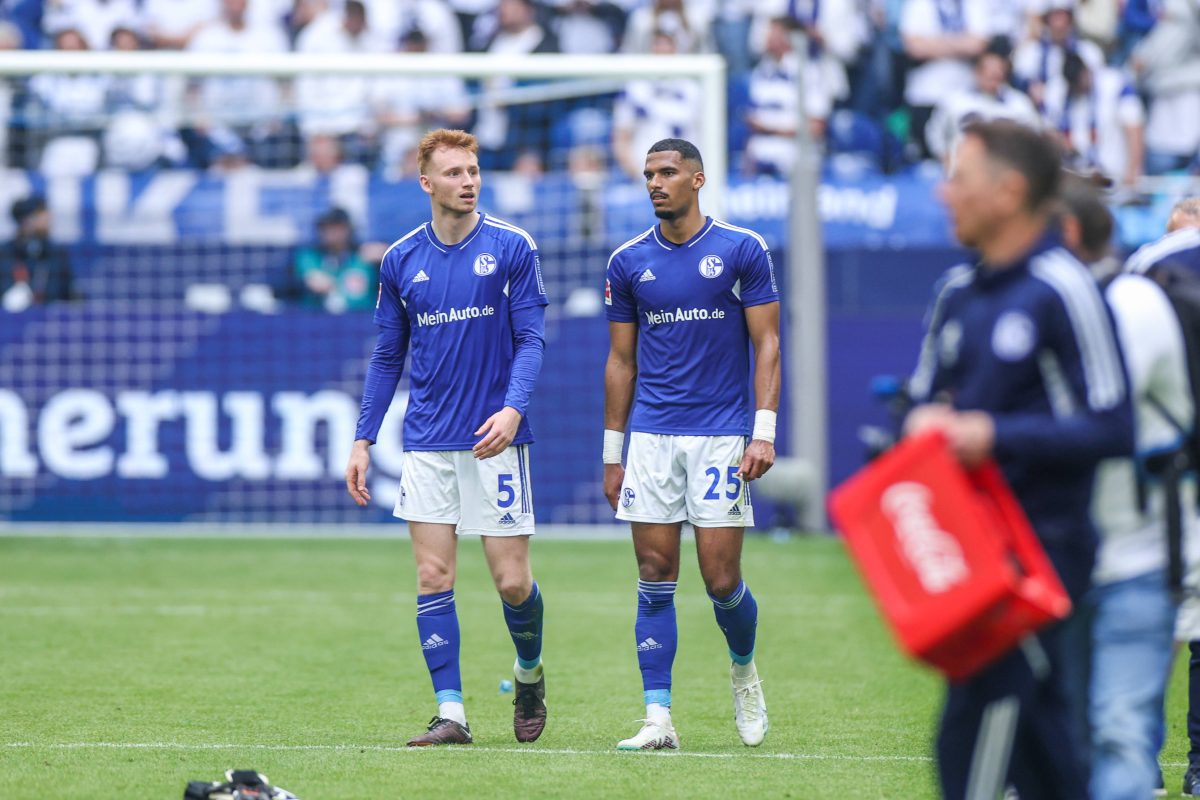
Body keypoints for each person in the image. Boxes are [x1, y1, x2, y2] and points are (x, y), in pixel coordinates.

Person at [905, 120, 1133, 799]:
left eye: (958, 179)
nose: (945, 194)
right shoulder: (957, 292)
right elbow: (920, 402)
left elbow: (1112, 426)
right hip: (965, 558)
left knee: (974, 744)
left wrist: (993, 435)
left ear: (1007, 192)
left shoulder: (1063, 288)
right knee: (1049, 758)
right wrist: (918, 425)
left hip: (1037, 561)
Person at [345, 129, 550, 747]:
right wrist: (362, 439)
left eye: (474, 170)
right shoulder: (401, 260)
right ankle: (452, 713)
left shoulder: (512, 247)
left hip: (494, 438)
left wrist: (514, 410)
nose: (468, 181)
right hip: (429, 440)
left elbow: (533, 340)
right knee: (433, 576)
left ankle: (530, 674)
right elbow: (387, 356)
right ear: (426, 182)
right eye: (455, 172)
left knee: (512, 583)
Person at [602, 138, 781, 750]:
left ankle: (744, 671)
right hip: (652, 436)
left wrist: (763, 431)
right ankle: (658, 720)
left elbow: (769, 346)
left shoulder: (741, 249)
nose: (656, 182)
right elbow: (621, 361)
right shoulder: (628, 261)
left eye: (668, 172)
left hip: (721, 437)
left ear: (697, 180)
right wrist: (612, 452)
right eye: (649, 173)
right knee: (654, 573)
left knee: (720, 580)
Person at [1059, 180, 1189, 800]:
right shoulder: (1008, 298)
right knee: (1063, 728)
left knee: (1118, 730)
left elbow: (1100, 420)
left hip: (1128, 548)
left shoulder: (1132, 302)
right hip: (1052, 552)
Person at [1126, 197, 1200, 796]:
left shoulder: (1145, 271)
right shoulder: (1148, 277)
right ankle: (1144, 762)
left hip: (1166, 467)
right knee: (1160, 622)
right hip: (1159, 474)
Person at [277, 207, 378, 313]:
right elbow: (316, 282)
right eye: (326, 228)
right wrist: (335, 284)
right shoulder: (309, 256)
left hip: (362, 319)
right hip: (319, 320)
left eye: (337, 227)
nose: (331, 233)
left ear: (348, 229)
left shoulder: (364, 257)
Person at [0, 195, 77, 311]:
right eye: (41, 214)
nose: (48, 218)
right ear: (26, 220)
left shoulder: (56, 253)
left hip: (48, 323)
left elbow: (70, 294)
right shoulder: (5, 253)